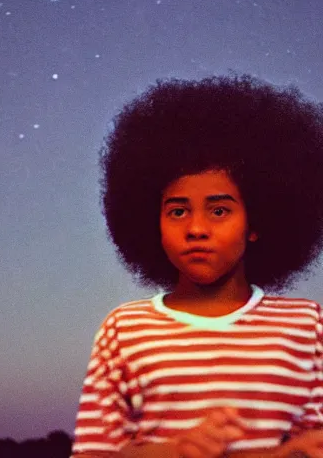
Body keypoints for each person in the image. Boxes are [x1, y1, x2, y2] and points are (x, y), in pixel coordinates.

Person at [70, 74, 323, 458]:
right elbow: (91, 455)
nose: (197, 228)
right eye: (177, 211)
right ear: (150, 222)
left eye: (219, 210)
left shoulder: (307, 326)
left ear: (256, 223)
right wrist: (175, 450)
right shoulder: (124, 330)